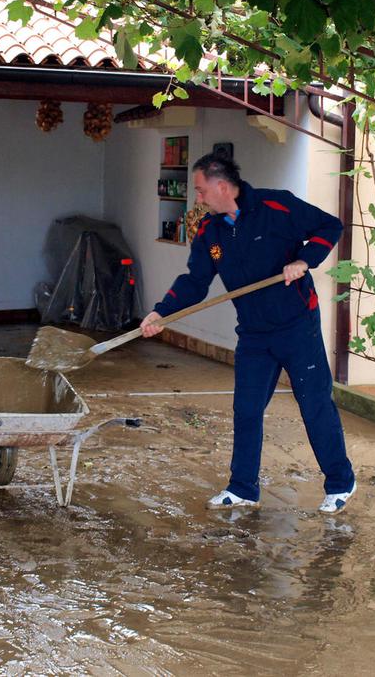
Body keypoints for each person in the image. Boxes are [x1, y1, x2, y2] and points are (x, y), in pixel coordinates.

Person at [140, 154, 356, 514]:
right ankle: (243, 487)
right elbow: (195, 281)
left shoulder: (277, 206)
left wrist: (304, 261)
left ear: (221, 186)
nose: (198, 199)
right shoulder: (211, 231)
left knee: (314, 405)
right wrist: (163, 312)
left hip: (296, 326)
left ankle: (340, 482)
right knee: (247, 408)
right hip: (255, 334)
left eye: (200, 190)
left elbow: (329, 226)